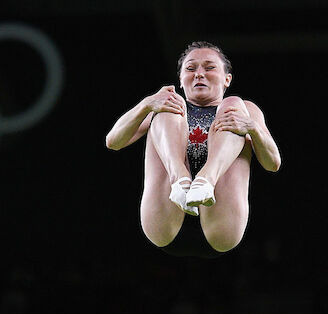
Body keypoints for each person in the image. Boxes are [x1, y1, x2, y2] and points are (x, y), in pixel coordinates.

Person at [105, 41, 281, 258]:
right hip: (165, 216)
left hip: (221, 222)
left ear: (227, 79)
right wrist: (147, 104)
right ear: (180, 79)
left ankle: (205, 181)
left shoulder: (246, 111)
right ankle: (180, 179)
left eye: (209, 68)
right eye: (190, 69)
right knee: (169, 104)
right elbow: (113, 141)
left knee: (235, 105)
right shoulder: (162, 106)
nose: (199, 74)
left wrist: (252, 128)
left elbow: (273, 163)